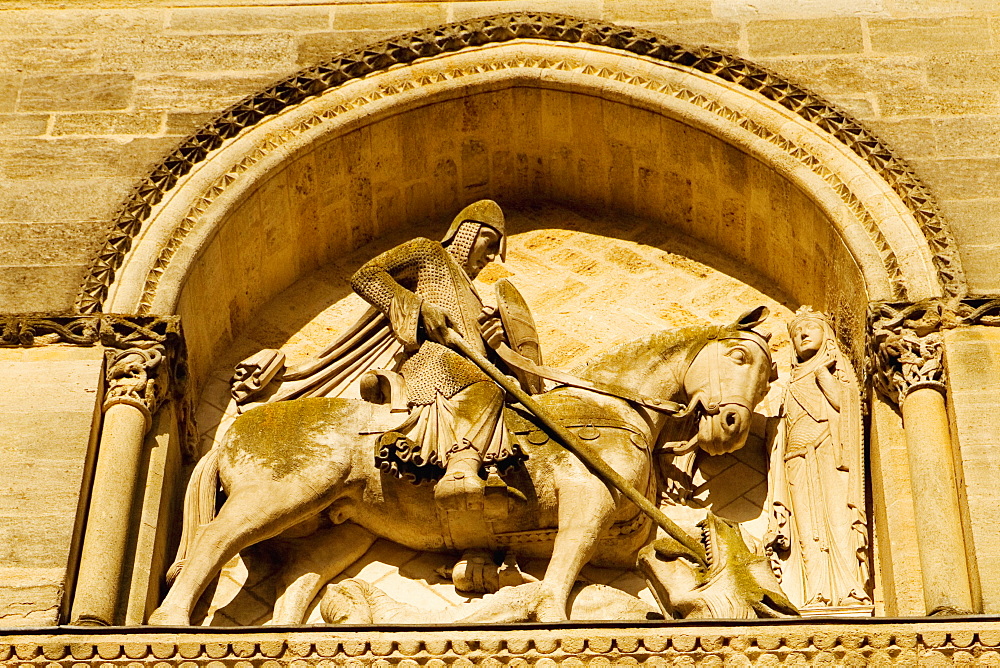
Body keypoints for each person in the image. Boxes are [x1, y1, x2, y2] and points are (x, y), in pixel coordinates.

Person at [350, 199, 521, 506]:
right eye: (490, 242)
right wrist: (419, 308)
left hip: (464, 367)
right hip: (433, 364)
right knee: (485, 389)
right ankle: (460, 470)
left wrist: (497, 343)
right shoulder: (428, 253)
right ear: (469, 232)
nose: (492, 256)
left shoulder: (475, 298)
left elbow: (480, 354)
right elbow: (366, 276)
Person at [765, 307, 871, 609]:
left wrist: (823, 372)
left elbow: (845, 404)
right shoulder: (791, 383)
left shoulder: (835, 373)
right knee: (806, 530)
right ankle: (817, 591)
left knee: (837, 522)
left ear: (827, 335)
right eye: (796, 332)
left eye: (810, 327)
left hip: (828, 451)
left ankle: (849, 590)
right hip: (796, 459)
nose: (802, 334)